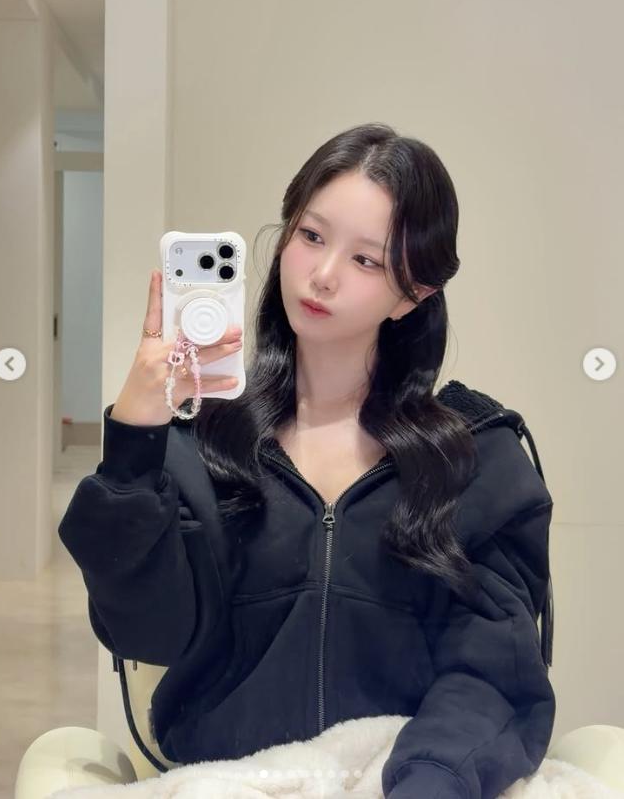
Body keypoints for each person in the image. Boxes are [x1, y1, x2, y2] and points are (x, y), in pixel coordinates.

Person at [59, 122, 554, 799]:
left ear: (414, 292)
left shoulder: (474, 461)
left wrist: (427, 782)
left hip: (396, 782)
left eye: (367, 261)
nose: (322, 275)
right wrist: (136, 438)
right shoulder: (202, 446)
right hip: (223, 783)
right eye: (312, 236)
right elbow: (145, 633)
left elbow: (494, 674)